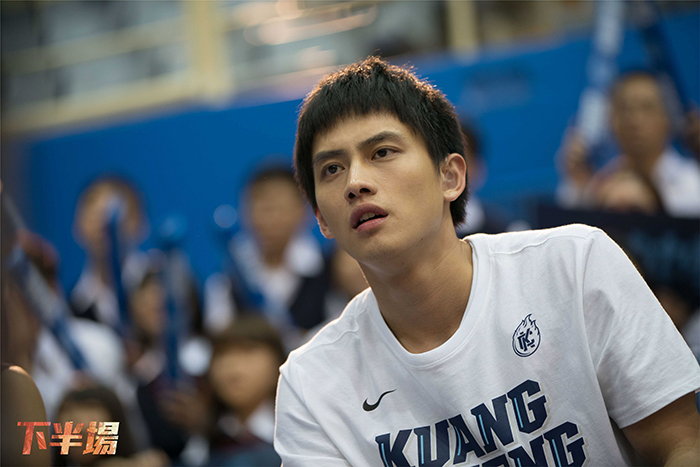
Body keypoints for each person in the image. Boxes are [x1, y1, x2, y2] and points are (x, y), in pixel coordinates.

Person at [274, 57, 700, 467]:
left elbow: (682, 445)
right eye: (332, 169)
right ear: (322, 219)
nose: (355, 183)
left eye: (382, 152)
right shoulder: (311, 385)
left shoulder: (576, 266)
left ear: (451, 177)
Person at [557, 71, 700, 218]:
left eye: (647, 108)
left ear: (669, 118)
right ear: (610, 119)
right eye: (625, 109)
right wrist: (578, 185)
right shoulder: (595, 185)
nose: (634, 120)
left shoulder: (694, 182)